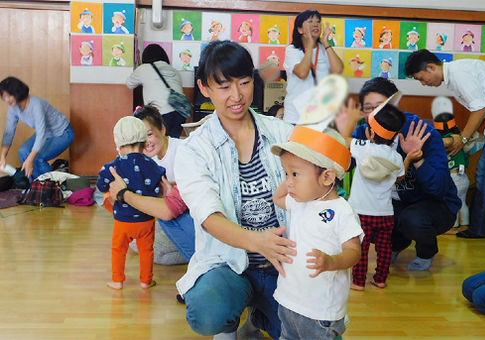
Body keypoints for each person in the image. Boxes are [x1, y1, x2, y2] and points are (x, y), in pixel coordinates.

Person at [173, 40, 295, 340]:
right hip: (230, 265)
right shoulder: (194, 150)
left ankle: (259, 315)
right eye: (224, 86)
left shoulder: (282, 133)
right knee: (208, 312)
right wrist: (257, 242)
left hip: (283, 263)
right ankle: (230, 322)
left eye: (244, 82)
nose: (237, 96)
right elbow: (208, 216)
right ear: (204, 88)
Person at [353, 77, 461, 271]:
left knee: (413, 219)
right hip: (394, 202)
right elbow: (343, 164)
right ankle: (395, 244)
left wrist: (417, 158)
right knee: (363, 217)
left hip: (436, 204)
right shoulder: (363, 132)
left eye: (381, 106)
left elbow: (438, 188)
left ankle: (426, 251)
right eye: (368, 108)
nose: (374, 113)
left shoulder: (422, 132)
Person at [404, 49, 485, 238]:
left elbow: (480, 108)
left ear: (430, 67)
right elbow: (482, 107)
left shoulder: (459, 73)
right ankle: (479, 227)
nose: (423, 83)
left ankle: (480, 229)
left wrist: (462, 139)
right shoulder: (455, 76)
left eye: (422, 78)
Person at [271, 126, 363, 339]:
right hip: (288, 301)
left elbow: (354, 252)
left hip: (321, 311)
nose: (289, 182)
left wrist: (331, 262)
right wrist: (290, 175)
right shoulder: (298, 201)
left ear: (327, 177)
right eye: (286, 173)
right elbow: (277, 198)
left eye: (295, 174)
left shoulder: (342, 210)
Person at [342, 102, 421, 288]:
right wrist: (408, 158)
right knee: (384, 249)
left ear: (370, 132)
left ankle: (359, 282)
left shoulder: (363, 147)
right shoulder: (396, 157)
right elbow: (400, 179)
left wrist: (352, 119)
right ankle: (380, 279)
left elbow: (343, 138)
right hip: (385, 213)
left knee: (361, 247)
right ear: (394, 135)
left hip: (361, 212)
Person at [108, 105, 195, 263]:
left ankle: (198, 253)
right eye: (140, 138)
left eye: (149, 134)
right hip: (162, 214)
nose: (146, 143)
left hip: (188, 215)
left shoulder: (184, 150)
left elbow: (191, 192)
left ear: (162, 129)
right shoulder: (140, 159)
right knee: (135, 240)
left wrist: (168, 187)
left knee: (155, 248)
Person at [96, 116, 165, 290]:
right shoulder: (152, 165)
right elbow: (161, 182)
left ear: (118, 145)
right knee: (146, 250)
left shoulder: (112, 167)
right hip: (146, 220)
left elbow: (100, 186)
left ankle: (117, 281)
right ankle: (146, 280)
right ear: (144, 142)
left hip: (122, 221)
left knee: (118, 250)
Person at [0, 77, 74, 180]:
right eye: (4, 96)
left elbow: (41, 135)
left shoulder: (36, 105)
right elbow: (9, 132)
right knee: (23, 151)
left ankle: (53, 188)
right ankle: (34, 187)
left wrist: (30, 160)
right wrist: (3, 156)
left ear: (18, 92)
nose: (7, 100)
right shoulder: (13, 108)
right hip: (46, 133)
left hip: (63, 133)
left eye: (9, 95)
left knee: (37, 159)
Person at [283, 9, 343, 124]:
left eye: (318, 21)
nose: (316, 24)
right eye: (310, 21)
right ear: (300, 29)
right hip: (295, 116)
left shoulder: (324, 49)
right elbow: (302, 73)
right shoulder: (292, 50)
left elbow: (338, 70)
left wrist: (326, 43)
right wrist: (310, 46)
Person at [126, 44, 187, 138]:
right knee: (173, 143)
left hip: (161, 112)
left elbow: (129, 83)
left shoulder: (144, 68)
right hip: (181, 111)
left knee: (159, 144)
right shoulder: (174, 70)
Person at [431, 96, 470, 234]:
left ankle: (453, 227)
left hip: (454, 179)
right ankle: (465, 225)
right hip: (463, 177)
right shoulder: (460, 138)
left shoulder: (443, 142)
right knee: (462, 203)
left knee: (451, 204)